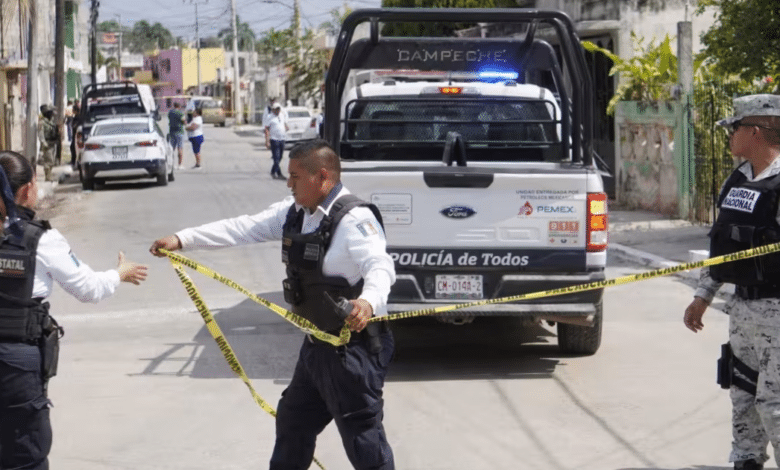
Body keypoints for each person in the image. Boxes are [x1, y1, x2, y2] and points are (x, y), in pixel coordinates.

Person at [150, 140, 396, 470]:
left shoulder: (355, 220)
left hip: (352, 351)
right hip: (316, 347)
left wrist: (366, 302)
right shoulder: (294, 213)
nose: (289, 183)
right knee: (293, 421)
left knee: (363, 440)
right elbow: (243, 227)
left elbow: (379, 266)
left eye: (295, 176)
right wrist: (182, 239)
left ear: (321, 177)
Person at [0, 150, 148, 470]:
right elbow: (88, 289)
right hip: (16, 363)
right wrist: (119, 274)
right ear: (27, 189)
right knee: (25, 454)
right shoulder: (40, 239)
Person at [684, 94, 780, 470]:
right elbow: (722, 243)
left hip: (777, 309)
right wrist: (702, 296)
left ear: (755, 132)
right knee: (743, 394)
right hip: (743, 309)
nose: (728, 135)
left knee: (774, 404)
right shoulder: (738, 179)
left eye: (734, 128)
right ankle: (746, 462)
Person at [265, 102, 288, 180]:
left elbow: (284, 123)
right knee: (276, 157)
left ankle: (273, 171)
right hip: (274, 140)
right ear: (273, 109)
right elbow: (267, 129)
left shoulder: (281, 115)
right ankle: (278, 173)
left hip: (282, 139)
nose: (278, 110)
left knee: (280, 157)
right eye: (276, 109)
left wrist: (286, 127)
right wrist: (267, 141)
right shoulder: (269, 117)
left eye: (279, 109)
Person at [37, 105, 59, 182]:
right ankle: (48, 177)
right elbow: (40, 133)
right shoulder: (42, 122)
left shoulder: (51, 122)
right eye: (50, 113)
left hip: (53, 143)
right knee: (48, 161)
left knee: (52, 162)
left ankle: (49, 176)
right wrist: (43, 142)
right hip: (47, 144)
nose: (51, 114)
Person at [168, 102, 186, 169]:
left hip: (172, 131)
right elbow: (184, 121)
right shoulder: (180, 113)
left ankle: (172, 164)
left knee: (172, 149)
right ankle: (180, 165)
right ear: (179, 106)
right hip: (179, 131)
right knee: (180, 148)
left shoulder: (170, 112)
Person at [69, 100, 81, 169]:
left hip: (77, 135)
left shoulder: (78, 117)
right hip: (74, 135)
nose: (72, 111)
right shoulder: (75, 117)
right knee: (72, 147)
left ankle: (75, 162)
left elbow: (76, 126)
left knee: (74, 148)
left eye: (73, 110)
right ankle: (73, 161)